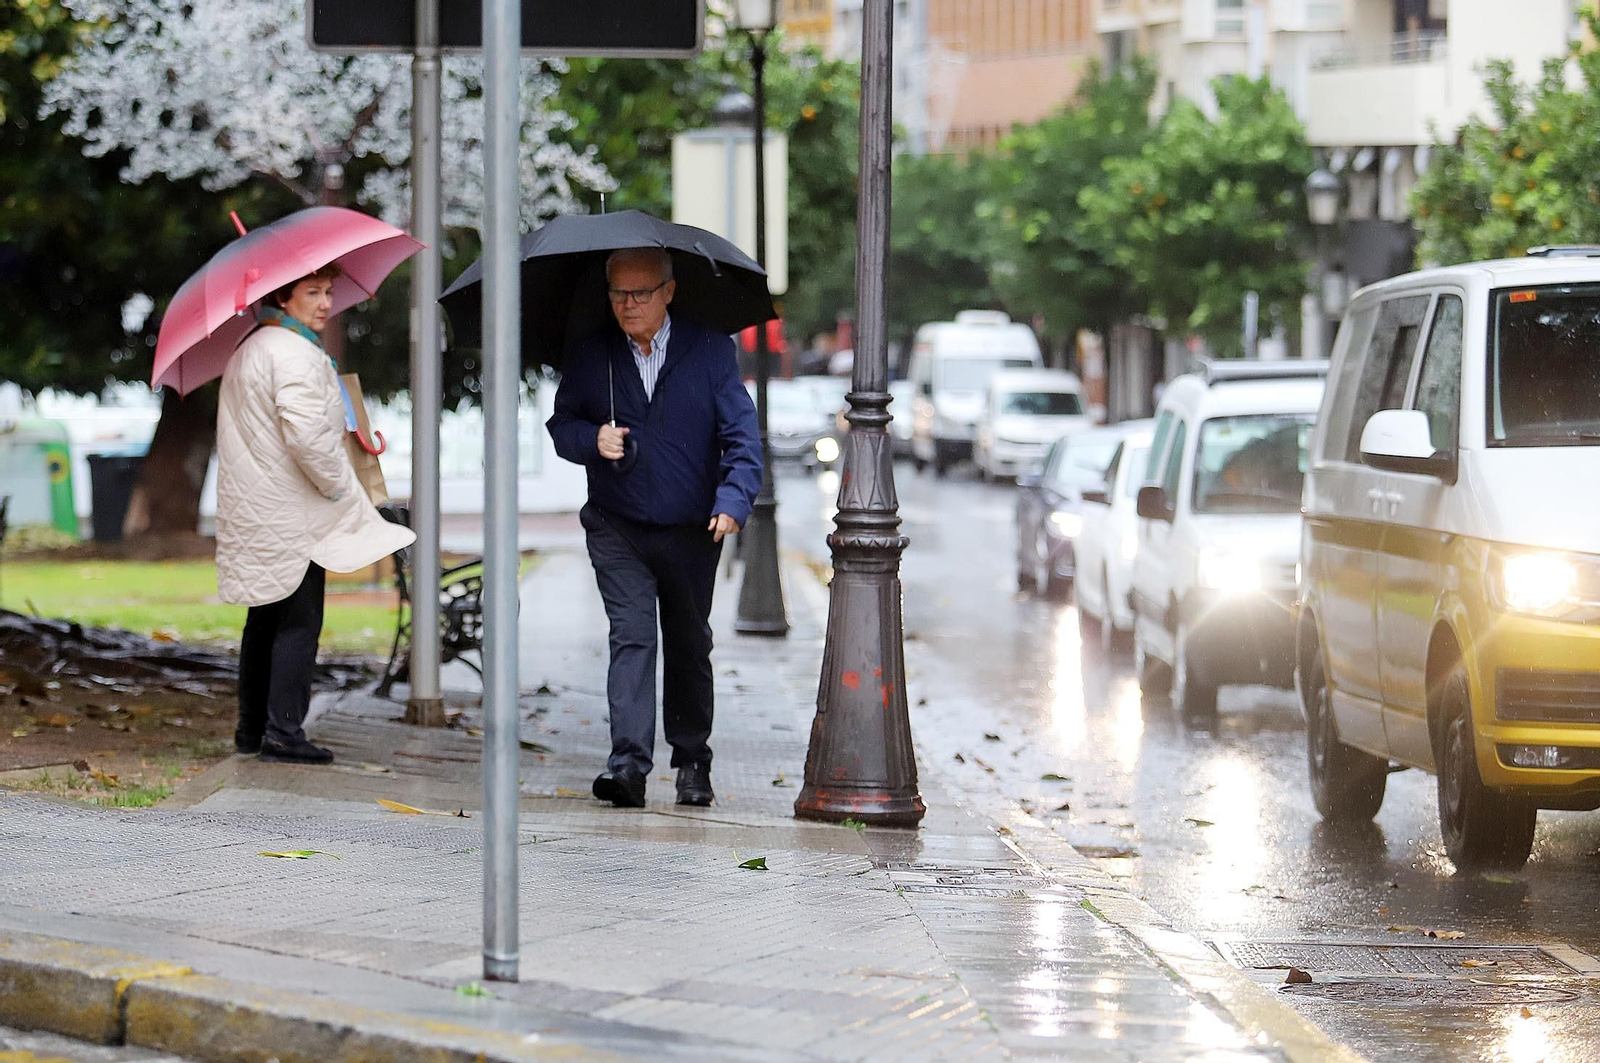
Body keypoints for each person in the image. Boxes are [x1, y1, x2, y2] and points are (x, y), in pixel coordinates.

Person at [547, 246, 762, 808]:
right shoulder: (593, 354)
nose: (627, 305)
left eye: (641, 293)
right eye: (618, 293)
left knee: (690, 643)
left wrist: (734, 500)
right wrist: (590, 439)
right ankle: (627, 767)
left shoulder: (710, 351)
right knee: (634, 636)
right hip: (617, 525)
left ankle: (693, 761)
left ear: (669, 291)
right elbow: (561, 423)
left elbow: (742, 436)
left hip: (694, 527)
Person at [214, 264, 414, 764]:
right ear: (283, 296)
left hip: (260, 511)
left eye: (328, 291)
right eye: (313, 292)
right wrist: (343, 490)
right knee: (298, 623)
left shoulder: (253, 347)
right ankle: (284, 732)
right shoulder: (294, 354)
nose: (326, 302)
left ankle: (251, 730)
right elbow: (309, 440)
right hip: (293, 514)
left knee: (263, 619)